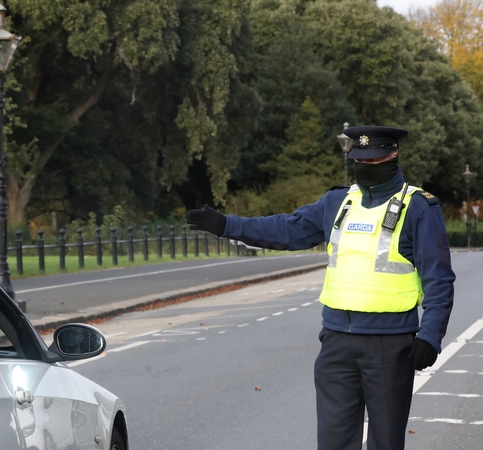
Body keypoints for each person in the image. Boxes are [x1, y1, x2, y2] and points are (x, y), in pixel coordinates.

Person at [185, 126, 455, 450]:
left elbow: (438, 278)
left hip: (390, 345)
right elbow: (287, 229)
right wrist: (228, 225)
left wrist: (430, 336)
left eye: (374, 159)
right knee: (333, 443)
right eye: (359, 159)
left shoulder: (417, 207)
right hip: (337, 342)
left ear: (393, 155)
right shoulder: (338, 202)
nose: (365, 166)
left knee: (385, 443)